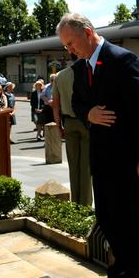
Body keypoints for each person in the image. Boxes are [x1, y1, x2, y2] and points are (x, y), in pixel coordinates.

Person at [58, 12, 139, 278]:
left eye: (71, 43)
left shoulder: (121, 59)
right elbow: (76, 102)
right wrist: (88, 114)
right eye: (65, 46)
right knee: (108, 220)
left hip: (127, 158)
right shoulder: (81, 66)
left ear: (87, 33)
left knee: (129, 222)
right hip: (100, 158)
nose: (69, 50)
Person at [51, 62, 93, 206]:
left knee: (73, 165)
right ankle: (85, 204)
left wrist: (58, 126)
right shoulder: (88, 72)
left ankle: (75, 202)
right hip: (87, 121)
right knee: (86, 166)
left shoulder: (60, 76)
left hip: (68, 122)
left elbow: (55, 105)